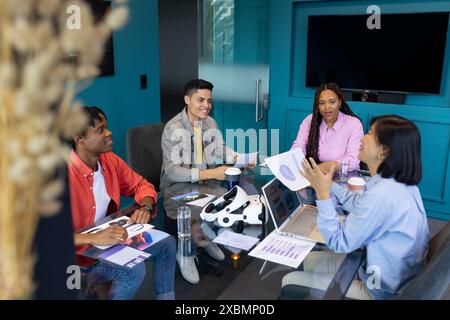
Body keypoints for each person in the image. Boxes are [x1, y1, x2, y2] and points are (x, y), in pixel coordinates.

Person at [282, 115, 429, 299]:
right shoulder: (395, 184)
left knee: (289, 280)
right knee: (306, 260)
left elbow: (339, 241)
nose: (362, 138)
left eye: (370, 133)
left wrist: (322, 195)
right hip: (382, 270)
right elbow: (358, 203)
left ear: (383, 152)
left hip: (379, 290)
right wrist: (328, 185)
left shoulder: (382, 194)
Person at [68, 106, 176, 300]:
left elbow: (141, 185)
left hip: (113, 239)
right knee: (133, 270)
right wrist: (94, 237)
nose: (109, 133)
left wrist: (146, 205)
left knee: (166, 244)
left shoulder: (109, 160)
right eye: (100, 130)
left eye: (106, 127)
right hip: (79, 260)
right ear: (79, 139)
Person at [161, 79, 236, 284]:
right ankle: (185, 253)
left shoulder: (209, 122)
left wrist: (236, 157)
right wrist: (210, 174)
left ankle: (207, 238)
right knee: (197, 207)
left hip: (204, 184)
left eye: (209, 101)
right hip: (177, 189)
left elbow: (220, 148)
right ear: (187, 99)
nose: (206, 105)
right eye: (200, 100)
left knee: (229, 199)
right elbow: (172, 173)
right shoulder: (172, 128)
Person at [291, 82, 364, 173]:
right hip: (315, 174)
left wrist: (329, 166)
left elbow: (354, 161)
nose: (327, 107)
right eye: (322, 103)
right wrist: (296, 162)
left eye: (332, 102)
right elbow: (298, 146)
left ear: (340, 102)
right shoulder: (310, 120)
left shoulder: (353, 124)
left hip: (342, 177)